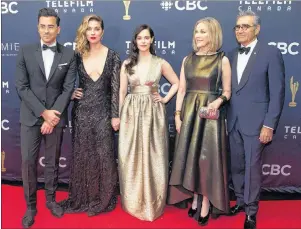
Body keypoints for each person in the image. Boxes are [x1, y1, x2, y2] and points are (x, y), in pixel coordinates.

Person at [15, 8, 76, 228]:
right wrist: (44, 113)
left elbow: (68, 88)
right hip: (31, 117)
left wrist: (53, 117)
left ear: (58, 29)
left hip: (56, 117)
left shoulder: (68, 55)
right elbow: (21, 87)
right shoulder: (25, 51)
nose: (46, 30)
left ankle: (51, 200)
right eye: (42, 26)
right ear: (37, 27)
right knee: (28, 163)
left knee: (52, 162)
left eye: (51, 26)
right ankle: (31, 207)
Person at [168, 17, 231, 226]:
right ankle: (194, 196)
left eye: (203, 31)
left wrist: (218, 102)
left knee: (207, 160)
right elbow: (183, 90)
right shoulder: (188, 59)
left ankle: (206, 201)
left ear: (212, 34)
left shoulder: (221, 59)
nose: (198, 35)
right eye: (196, 31)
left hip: (210, 117)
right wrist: (177, 115)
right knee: (191, 157)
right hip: (189, 112)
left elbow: (228, 92)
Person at [227, 10, 285, 229]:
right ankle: (241, 201)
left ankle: (251, 212)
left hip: (258, 123)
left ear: (257, 29)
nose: (241, 30)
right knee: (236, 167)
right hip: (232, 122)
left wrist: (269, 124)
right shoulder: (231, 54)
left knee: (252, 168)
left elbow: (278, 91)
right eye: (238, 27)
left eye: (246, 26)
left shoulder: (270, 53)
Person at [59, 14, 121, 216]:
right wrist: (70, 93)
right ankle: (84, 197)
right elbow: (63, 80)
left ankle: (102, 198)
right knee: (83, 154)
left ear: (102, 31)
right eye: (89, 28)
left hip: (103, 111)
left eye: (96, 28)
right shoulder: (77, 55)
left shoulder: (112, 56)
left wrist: (115, 115)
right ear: (84, 32)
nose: (93, 32)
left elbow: (115, 89)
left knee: (104, 155)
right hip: (82, 112)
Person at [118, 24, 179, 221]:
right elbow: (121, 92)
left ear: (152, 40)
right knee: (132, 155)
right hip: (132, 111)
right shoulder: (127, 63)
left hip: (153, 113)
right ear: (135, 41)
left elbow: (177, 83)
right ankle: (133, 201)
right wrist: (119, 116)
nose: (143, 41)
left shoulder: (160, 62)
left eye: (146, 37)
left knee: (155, 155)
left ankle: (154, 202)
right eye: (139, 38)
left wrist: (165, 98)